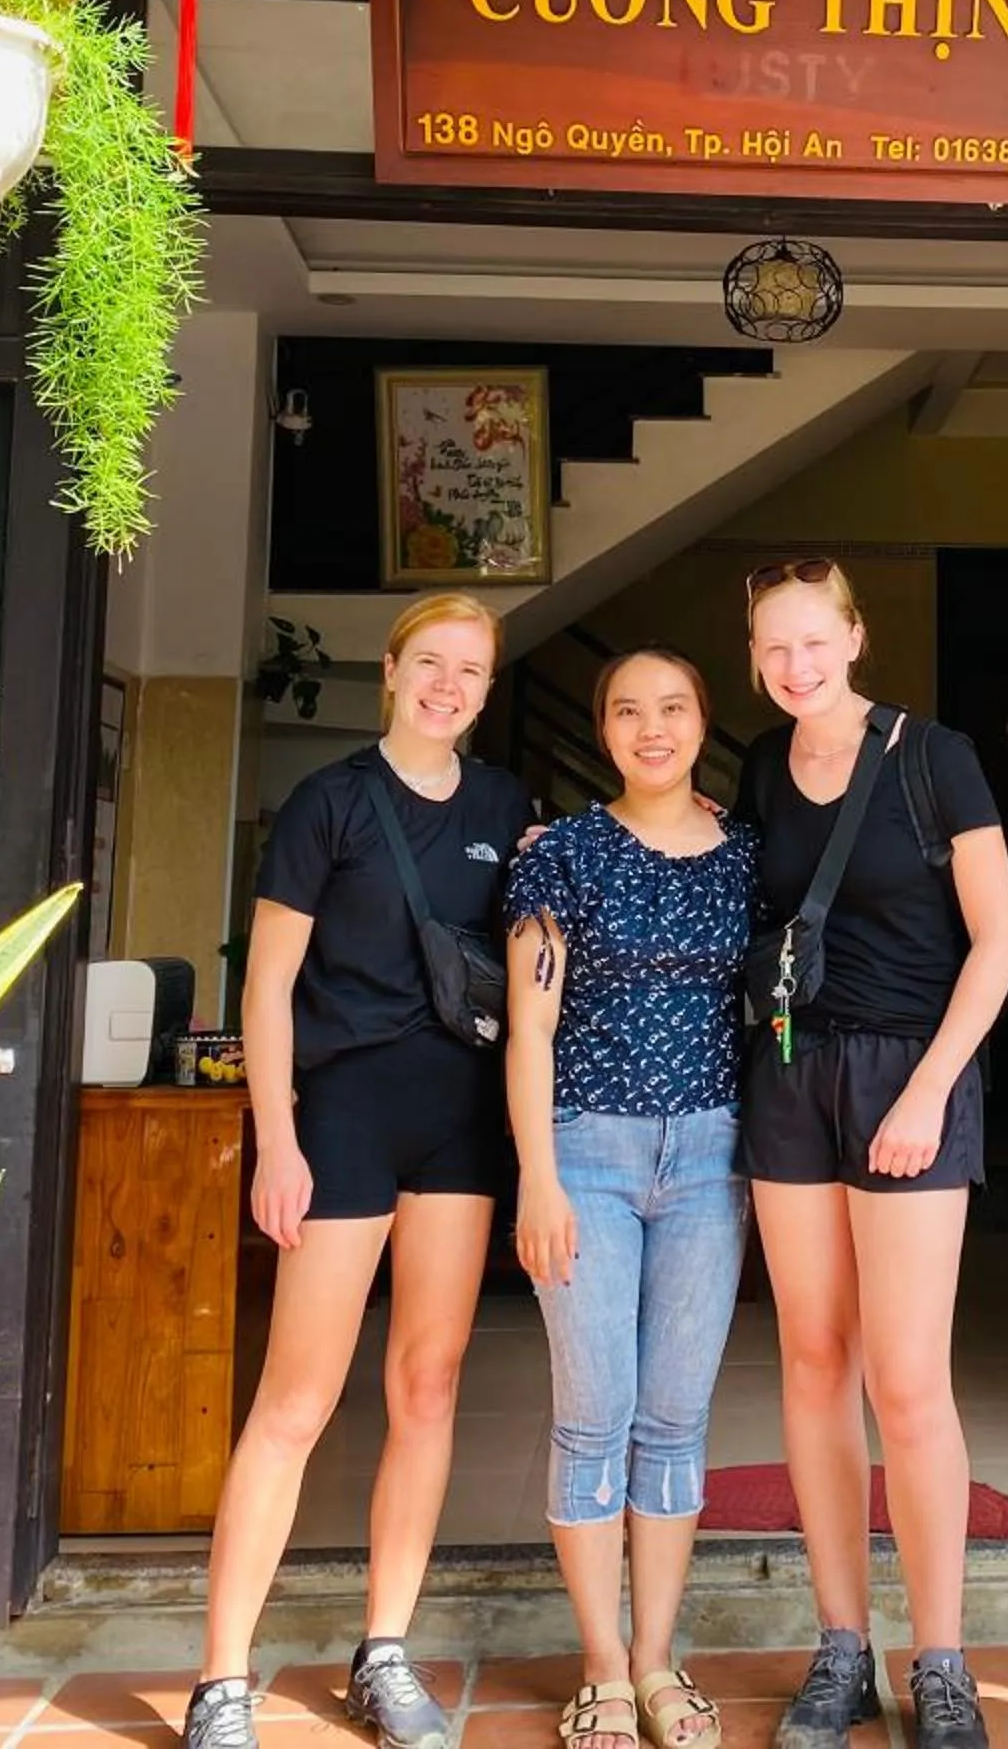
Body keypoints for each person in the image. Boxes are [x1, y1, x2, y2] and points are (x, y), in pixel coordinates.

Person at [183, 593, 533, 1749]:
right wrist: (274, 1138)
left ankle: (384, 1651)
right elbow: (267, 987)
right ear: (389, 670)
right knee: (296, 1399)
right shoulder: (329, 803)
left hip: (460, 1124)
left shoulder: (504, 806)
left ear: (487, 688)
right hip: (342, 1118)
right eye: (429, 662)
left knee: (426, 1389)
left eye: (470, 671)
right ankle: (221, 1680)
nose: (448, 685)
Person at [735, 559, 1008, 1749]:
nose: (795, 668)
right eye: (772, 649)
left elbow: (999, 939)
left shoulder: (931, 754)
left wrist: (930, 1087)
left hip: (913, 1070)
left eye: (814, 642)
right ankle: (842, 1644)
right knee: (813, 1361)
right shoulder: (761, 765)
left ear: (855, 636)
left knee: (905, 1381)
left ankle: (941, 1658)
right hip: (793, 1076)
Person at [503, 649, 757, 1749]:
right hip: (587, 1156)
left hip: (712, 1159)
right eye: (626, 710)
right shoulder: (559, 855)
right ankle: (600, 1663)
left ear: (704, 722)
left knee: (676, 1421)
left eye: (673, 708)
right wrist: (539, 1178)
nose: (650, 727)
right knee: (592, 1416)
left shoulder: (748, 854)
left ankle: (657, 1659)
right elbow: (530, 1027)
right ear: (601, 730)